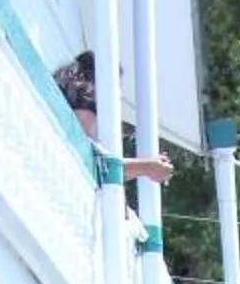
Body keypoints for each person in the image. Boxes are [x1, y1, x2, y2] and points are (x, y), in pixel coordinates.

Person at [50, 51, 174, 187]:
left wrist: (146, 167)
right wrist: (147, 167)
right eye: (117, 86)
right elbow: (93, 166)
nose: (119, 95)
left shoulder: (68, 109)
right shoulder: (84, 113)